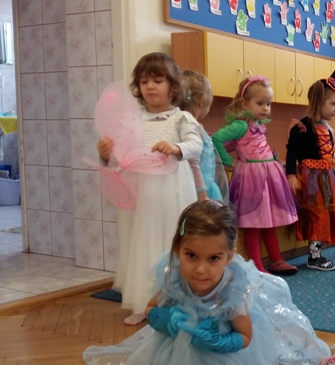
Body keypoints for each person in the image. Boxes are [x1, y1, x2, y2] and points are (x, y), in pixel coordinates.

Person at [83, 200, 330, 365]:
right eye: (191, 256)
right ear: (177, 250)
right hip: (177, 345)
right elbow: (150, 308)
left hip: (222, 350)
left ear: (229, 257)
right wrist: (162, 318)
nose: (201, 270)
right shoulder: (174, 278)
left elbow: (245, 336)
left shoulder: (232, 291)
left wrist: (221, 342)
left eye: (213, 259)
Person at [97, 52, 202, 325]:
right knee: (143, 242)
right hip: (143, 195)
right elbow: (121, 157)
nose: (150, 87)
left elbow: (196, 145)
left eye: (158, 80)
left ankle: (177, 302)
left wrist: (176, 147)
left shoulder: (181, 119)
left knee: (173, 242)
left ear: (173, 86)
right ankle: (144, 302)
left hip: (174, 192)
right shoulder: (131, 121)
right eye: (144, 82)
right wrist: (106, 154)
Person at [211, 75, 299, 275]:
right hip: (251, 180)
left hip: (267, 177)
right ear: (245, 104)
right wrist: (230, 161)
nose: (266, 108)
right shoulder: (241, 125)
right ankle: (256, 267)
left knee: (268, 222)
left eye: (268, 103)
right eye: (260, 103)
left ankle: (276, 260)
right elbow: (216, 139)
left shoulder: (259, 125)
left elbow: (242, 144)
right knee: (253, 224)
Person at [285, 65, 335, 271]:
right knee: (316, 215)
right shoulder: (302, 127)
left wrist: (330, 156)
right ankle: (314, 257)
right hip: (311, 178)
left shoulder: (326, 127)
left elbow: (322, 149)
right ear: (318, 102)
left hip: (326, 176)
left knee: (324, 215)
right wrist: (291, 174)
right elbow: (292, 151)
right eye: (333, 104)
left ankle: (316, 253)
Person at [178, 69, 228, 202]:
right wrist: (202, 194)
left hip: (188, 187)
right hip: (202, 190)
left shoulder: (186, 127)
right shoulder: (193, 129)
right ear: (202, 100)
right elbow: (193, 162)